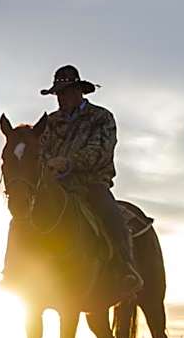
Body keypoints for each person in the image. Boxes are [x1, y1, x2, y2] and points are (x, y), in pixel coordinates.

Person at [34, 64, 143, 293]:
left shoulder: (101, 118)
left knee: (110, 213)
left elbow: (101, 150)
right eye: (58, 94)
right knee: (26, 215)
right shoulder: (50, 122)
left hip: (92, 183)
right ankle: (14, 270)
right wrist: (47, 165)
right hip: (57, 185)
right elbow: (40, 151)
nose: (61, 99)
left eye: (65, 93)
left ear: (78, 91)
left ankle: (126, 266)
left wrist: (68, 163)